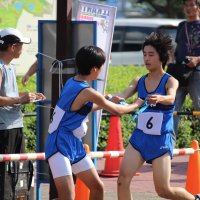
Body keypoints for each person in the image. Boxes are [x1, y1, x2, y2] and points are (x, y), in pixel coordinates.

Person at [45, 45, 143, 200]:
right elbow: (116, 110)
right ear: (95, 69)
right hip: (58, 142)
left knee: (97, 188)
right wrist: (137, 104)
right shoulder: (87, 91)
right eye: (102, 66)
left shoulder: (73, 82)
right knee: (68, 196)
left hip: (73, 143)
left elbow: (92, 105)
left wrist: (112, 97)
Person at [112, 31, 200, 200]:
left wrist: (161, 98)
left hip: (161, 139)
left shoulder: (170, 81)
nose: (146, 58)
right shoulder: (139, 80)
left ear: (162, 57)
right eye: (144, 54)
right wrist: (110, 98)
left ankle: (194, 198)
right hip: (139, 138)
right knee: (122, 180)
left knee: (164, 190)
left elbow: (172, 97)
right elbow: (123, 94)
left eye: (151, 54)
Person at [0, 27, 46, 199]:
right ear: (12, 47)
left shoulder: (9, 67)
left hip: (14, 124)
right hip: (5, 127)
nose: (22, 49)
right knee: (5, 173)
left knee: (16, 171)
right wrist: (20, 99)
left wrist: (28, 96)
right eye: (21, 45)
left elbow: (8, 95)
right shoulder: (0, 67)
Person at [172, 0, 200, 136]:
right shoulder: (181, 25)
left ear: (198, 7)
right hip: (180, 72)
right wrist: (170, 60)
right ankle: (168, 147)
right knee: (173, 108)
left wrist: (197, 59)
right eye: (186, 5)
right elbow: (178, 47)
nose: (188, 8)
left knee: (199, 107)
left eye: (192, 5)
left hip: (197, 73)